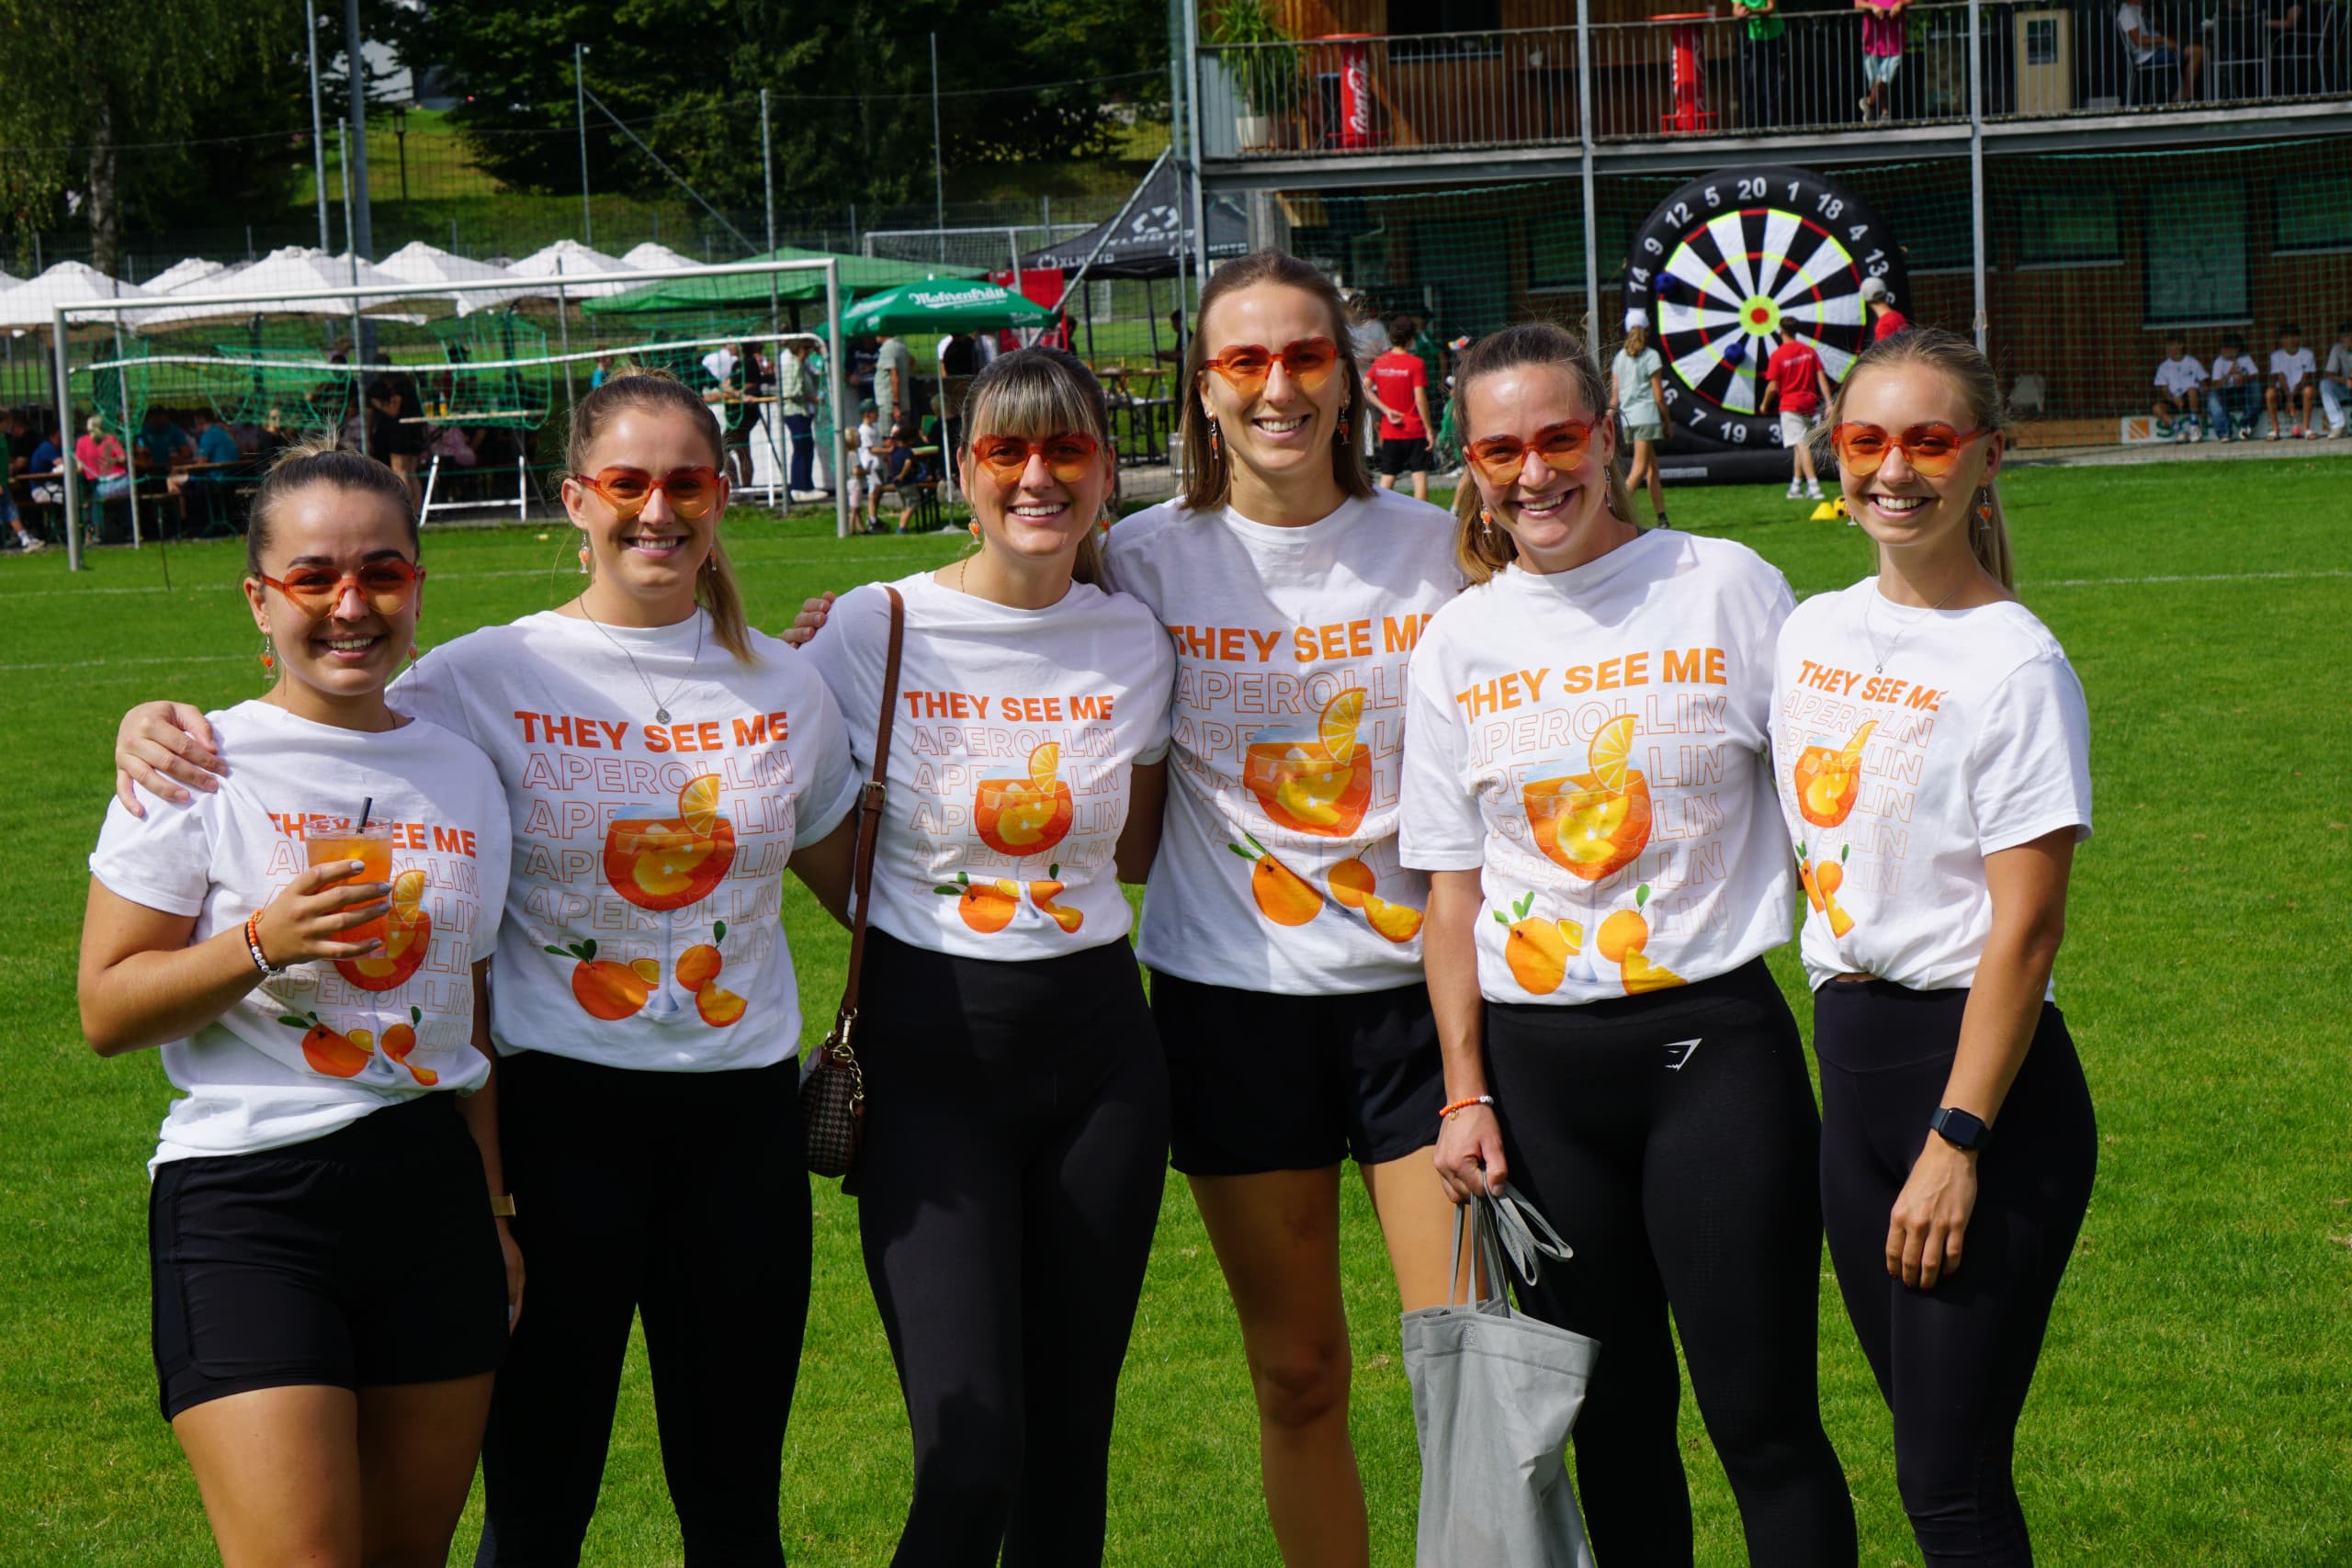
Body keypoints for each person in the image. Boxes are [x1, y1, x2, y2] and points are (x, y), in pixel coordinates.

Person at [109, 370, 862, 1566]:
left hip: (740, 1126)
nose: (656, 509)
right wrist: (155, 723)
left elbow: (862, 882)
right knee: (537, 1505)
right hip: (557, 1120)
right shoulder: (477, 677)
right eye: (627, 481)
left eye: (685, 483)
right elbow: (321, 712)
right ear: (576, 498)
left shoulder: (788, 683)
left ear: (722, 495)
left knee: (735, 1508)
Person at [1402, 321, 1858, 1568]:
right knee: (1611, 1423)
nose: (1534, 473)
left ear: (1607, 437)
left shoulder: (1724, 584)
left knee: (1763, 1422)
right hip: (1540, 1083)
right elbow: (1449, 892)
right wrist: (1463, 1091)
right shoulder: (1458, 641)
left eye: (1559, 437)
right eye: (1501, 450)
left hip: (1715, 1054)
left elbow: (1828, 800)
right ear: (1469, 463)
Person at [80, 444, 520, 1565]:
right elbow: (108, 1008)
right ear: (259, 599)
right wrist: (259, 944)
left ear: (418, 584)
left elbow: (466, 1014)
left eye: (382, 573)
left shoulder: (464, 771)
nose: (350, 605)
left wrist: (493, 1211)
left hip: (430, 1196)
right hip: (251, 1200)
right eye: (314, 577)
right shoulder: (194, 763)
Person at [1095, 251, 1464, 1568]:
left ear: (1348, 381)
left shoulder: (1441, 550)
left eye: (1305, 357)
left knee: (1468, 1365)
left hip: (1422, 1007)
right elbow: (994, 617)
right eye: (1245, 362)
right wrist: (846, 624)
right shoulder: (1134, 559)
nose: (1277, 388)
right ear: (1203, 389)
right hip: (1229, 1008)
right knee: (1298, 1372)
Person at [797, 346, 1176, 1567]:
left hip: (1102, 1065)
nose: (1037, 477)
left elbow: (1136, 848)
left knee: (1068, 1454)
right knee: (970, 1456)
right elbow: (768, 790)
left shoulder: (1135, 637)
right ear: (963, 470)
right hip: (930, 1063)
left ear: (1105, 470)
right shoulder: (875, 626)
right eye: (1007, 450)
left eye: (1067, 449)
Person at [1776, 325, 2097, 1566]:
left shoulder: (2016, 664)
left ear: (1987, 458)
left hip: (1975, 1092)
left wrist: (1956, 1141)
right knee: (1931, 1450)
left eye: (1929, 440)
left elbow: (2028, 927)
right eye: (1867, 439)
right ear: (1835, 452)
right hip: (1849, 1071)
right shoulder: (1812, 630)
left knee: (1948, 1484)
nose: (1894, 469)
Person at [1367, 315, 1436, 502]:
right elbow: (1420, 399)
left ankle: (1379, 515)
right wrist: (1429, 429)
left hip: (1391, 430)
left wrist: (1385, 410)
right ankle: (1421, 516)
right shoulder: (1416, 363)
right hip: (1414, 429)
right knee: (1419, 476)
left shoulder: (1380, 362)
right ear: (1411, 339)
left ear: (1391, 337)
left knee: (1387, 477)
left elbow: (1365, 388)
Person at [1610, 315, 1670, 528]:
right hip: (1647, 417)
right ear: (1647, 330)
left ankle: (1662, 518)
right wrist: (1667, 421)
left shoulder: (1619, 357)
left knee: (1652, 468)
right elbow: (1659, 396)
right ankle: (1610, 510)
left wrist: (1607, 417)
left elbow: (1615, 397)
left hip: (1629, 419)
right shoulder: (1651, 356)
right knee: (1640, 468)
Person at [1761, 331, 1833, 500]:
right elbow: (1821, 378)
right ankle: (1796, 486)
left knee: (1802, 445)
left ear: (1781, 331)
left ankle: (1814, 487)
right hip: (1808, 404)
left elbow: (1772, 387)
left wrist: (1764, 404)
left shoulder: (1778, 354)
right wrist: (1829, 402)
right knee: (1799, 446)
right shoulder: (1808, 351)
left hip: (1790, 405)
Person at [365, 353, 427, 511]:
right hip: (413, 431)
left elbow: (393, 410)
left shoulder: (399, 387)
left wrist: (377, 404)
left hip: (402, 433)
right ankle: (417, 510)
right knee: (410, 471)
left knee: (401, 471)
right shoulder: (406, 385)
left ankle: (408, 511)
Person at [2116, 0, 2204, 101]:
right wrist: (2164, 40)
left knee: (2186, 44)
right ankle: (2185, 94)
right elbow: (2138, 40)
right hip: (2146, 56)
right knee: (2197, 51)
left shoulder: (2136, 10)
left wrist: (2152, 23)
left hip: (2154, 50)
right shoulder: (2127, 13)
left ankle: (2183, 93)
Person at [1734, 0, 1788, 127]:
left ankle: (1773, 124)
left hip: (1774, 36)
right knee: (1751, 81)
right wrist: (1739, 13)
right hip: (1754, 38)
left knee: (1773, 82)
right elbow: (1735, 9)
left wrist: (1752, 12)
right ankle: (1753, 125)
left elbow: (1770, 7)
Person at [777, 337, 820, 497]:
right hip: (794, 412)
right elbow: (790, 393)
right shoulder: (793, 365)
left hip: (802, 411)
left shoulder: (801, 365)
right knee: (801, 448)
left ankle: (806, 485)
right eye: (806, 348)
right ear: (798, 349)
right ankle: (799, 487)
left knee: (807, 447)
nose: (809, 351)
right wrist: (811, 398)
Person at [2266, 322, 2320, 440]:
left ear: (2298, 338)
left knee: (2309, 390)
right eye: (2285, 337)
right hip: (2283, 391)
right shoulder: (2276, 356)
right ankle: (2275, 430)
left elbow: (2305, 378)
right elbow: (2281, 378)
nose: (2289, 340)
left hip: (2300, 391)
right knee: (2270, 393)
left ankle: (2306, 429)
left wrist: (2291, 400)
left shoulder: (2307, 354)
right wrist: (2289, 399)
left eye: (2292, 337)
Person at [1857, 0, 1907, 120]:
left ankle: (1869, 102)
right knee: (1876, 80)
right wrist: (1872, 6)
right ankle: (1885, 112)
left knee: (1883, 79)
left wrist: (1900, 3)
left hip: (1894, 42)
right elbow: (1858, 4)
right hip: (1872, 42)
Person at [2150, 333, 2207, 442]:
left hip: (2192, 398)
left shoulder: (2192, 362)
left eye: (2172, 345)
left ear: (2181, 345)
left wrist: (2204, 398)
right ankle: (2179, 431)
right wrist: (2173, 399)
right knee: (2156, 408)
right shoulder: (2163, 367)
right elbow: (2164, 390)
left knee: (2192, 389)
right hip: (2174, 399)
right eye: (2167, 346)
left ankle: (2194, 426)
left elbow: (2204, 384)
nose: (2169, 348)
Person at [1, 407, 40, 551]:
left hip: (4, 481)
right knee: (9, 510)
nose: (9, 426)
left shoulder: (3, 439)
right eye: (7, 423)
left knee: (9, 510)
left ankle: (24, 538)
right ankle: (24, 538)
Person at [2206, 334, 2260, 440]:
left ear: (2237, 349)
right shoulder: (2219, 362)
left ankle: (2246, 426)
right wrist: (2229, 374)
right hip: (2226, 394)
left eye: (2226, 348)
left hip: (2243, 393)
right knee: (2212, 395)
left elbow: (2255, 376)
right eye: (2222, 348)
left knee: (2255, 385)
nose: (2223, 350)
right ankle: (2224, 432)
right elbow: (2216, 384)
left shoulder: (2245, 358)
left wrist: (2244, 379)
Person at [854, 401, 887, 531]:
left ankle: (875, 517)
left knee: (879, 491)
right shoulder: (864, 430)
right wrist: (889, 450)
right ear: (867, 414)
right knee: (873, 492)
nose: (877, 414)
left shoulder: (874, 427)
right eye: (875, 412)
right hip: (870, 465)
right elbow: (871, 449)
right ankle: (872, 520)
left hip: (878, 464)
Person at [876, 331, 914, 437]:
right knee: (903, 437)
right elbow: (912, 361)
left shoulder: (887, 349)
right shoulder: (901, 347)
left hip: (889, 405)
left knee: (888, 438)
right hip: (903, 402)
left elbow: (894, 376)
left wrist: (895, 405)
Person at [2320, 321, 2351, 437]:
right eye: (2341, 337)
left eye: (2346, 336)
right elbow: (2329, 374)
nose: (2343, 340)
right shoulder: (2337, 349)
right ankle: (2338, 425)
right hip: (2347, 387)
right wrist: (2345, 380)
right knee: (2325, 384)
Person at [1861, 276, 1910, 342]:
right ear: (1886, 294)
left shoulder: (1883, 326)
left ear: (1867, 301)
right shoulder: (1899, 316)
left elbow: (1881, 348)